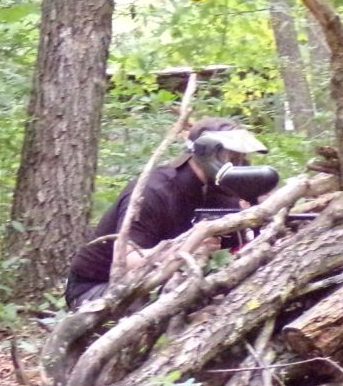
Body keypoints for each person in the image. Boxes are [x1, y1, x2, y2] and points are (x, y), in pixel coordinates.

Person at [64, 117, 268, 309]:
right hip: (98, 289)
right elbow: (128, 261)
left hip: (163, 281)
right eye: (232, 157)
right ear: (209, 155)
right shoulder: (155, 190)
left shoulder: (219, 189)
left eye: (241, 158)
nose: (240, 164)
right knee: (175, 302)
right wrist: (189, 246)